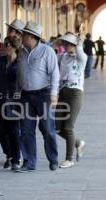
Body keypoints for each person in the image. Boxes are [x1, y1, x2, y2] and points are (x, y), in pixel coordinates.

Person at [17, 21, 60, 172]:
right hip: (25, 96)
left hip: (43, 95)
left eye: (23, 34)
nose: (21, 36)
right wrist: (17, 94)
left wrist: (53, 95)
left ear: (31, 36)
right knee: (26, 130)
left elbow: (55, 74)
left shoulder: (47, 51)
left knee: (47, 128)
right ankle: (29, 163)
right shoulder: (21, 52)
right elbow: (19, 75)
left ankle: (53, 160)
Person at [0, 36, 22, 171]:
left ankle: (16, 158)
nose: (4, 46)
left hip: (15, 102)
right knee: (0, 130)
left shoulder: (20, 63)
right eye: (4, 44)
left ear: (14, 47)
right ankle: (8, 154)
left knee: (14, 130)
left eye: (7, 44)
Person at [56, 32, 86, 168]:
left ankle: (69, 159)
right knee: (56, 127)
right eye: (65, 43)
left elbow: (79, 51)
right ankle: (78, 142)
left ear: (74, 45)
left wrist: (77, 41)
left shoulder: (81, 58)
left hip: (75, 94)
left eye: (68, 43)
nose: (66, 45)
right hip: (62, 93)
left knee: (68, 127)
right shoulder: (62, 57)